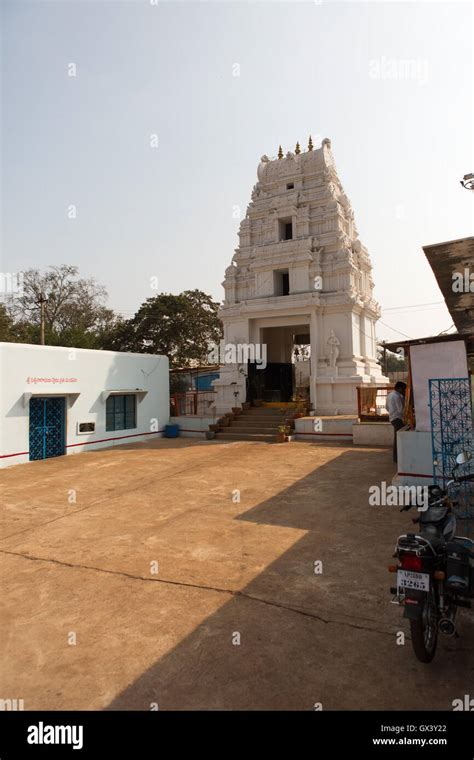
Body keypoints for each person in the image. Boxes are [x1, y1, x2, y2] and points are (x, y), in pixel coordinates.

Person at [386, 382, 406, 463]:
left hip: (392, 418)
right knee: (400, 439)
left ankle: (396, 458)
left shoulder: (390, 395)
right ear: (400, 388)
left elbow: (387, 407)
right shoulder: (397, 396)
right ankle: (398, 458)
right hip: (398, 418)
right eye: (404, 389)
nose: (404, 391)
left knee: (397, 438)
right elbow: (401, 410)